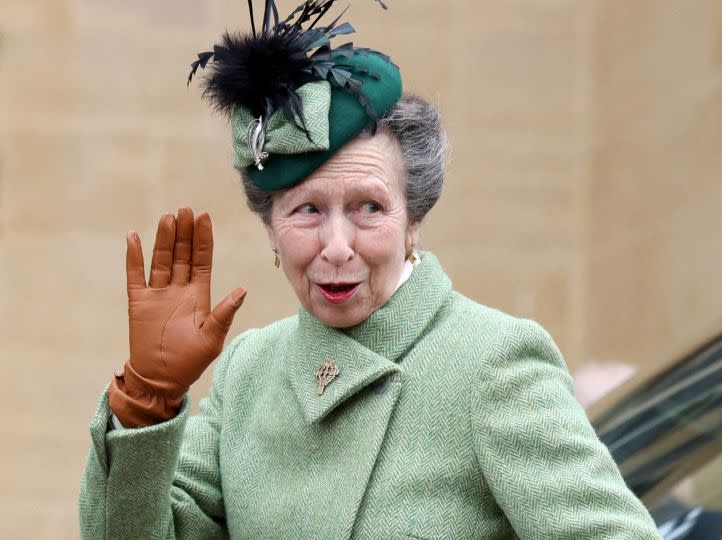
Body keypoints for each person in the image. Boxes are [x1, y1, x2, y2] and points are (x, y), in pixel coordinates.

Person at [78, 1, 662, 538]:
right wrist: (147, 403)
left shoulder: (493, 362)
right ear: (271, 231)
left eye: (369, 208)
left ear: (413, 222)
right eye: (306, 210)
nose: (336, 246)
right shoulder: (250, 371)